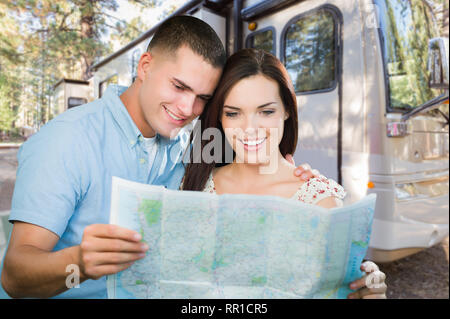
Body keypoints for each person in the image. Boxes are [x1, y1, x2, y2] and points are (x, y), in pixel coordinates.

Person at [0, 16, 317, 299]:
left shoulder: (189, 144)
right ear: (145, 66)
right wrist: (79, 264)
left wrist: (295, 179)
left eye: (202, 98)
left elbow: (247, 171)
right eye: (179, 86)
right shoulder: (67, 140)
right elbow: (16, 279)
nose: (186, 109)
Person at [182, 48, 387, 299]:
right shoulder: (195, 185)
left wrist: (369, 292)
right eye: (233, 113)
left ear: (287, 110)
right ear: (220, 118)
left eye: (266, 112)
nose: (250, 129)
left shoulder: (320, 201)